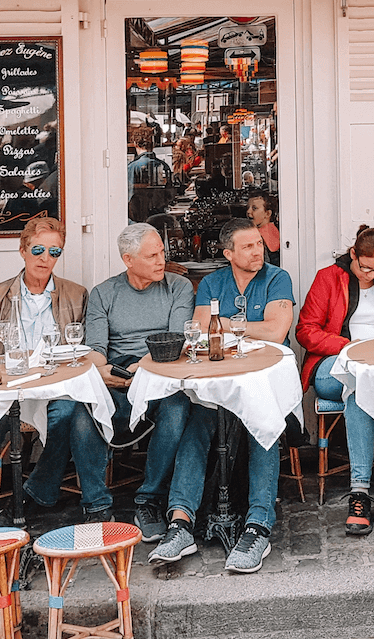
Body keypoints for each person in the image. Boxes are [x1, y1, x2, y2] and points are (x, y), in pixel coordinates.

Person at [148, 217, 294, 573]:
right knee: (197, 425)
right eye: (248, 246)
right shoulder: (212, 282)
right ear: (228, 253)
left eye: (259, 244)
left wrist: (226, 323)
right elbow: (198, 331)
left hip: (263, 382)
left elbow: (276, 331)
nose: (257, 251)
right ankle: (180, 524)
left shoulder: (277, 278)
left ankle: (258, 526)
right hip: (220, 381)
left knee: (265, 425)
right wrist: (238, 328)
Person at [0, 217, 96, 533]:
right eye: (38, 249)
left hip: (55, 387)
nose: (45, 259)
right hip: (9, 386)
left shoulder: (76, 295)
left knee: (67, 414)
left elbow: (82, 351)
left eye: (55, 252)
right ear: (23, 250)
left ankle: (30, 496)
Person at [83, 223, 195, 540]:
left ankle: (149, 501)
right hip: (118, 375)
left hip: (160, 371)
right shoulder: (104, 293)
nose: (161, 260)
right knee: (80, 411)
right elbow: (94, 349)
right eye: (152, 255)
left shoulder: (179, 287)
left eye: (162, 252)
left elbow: (174, 341)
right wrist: (103, 372)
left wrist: (140, 371)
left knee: (176, 411)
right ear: (128, 260)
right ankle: (96, 506)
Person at [296, 225, 374, 536]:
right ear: (353, 255)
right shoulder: (329, 277)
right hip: (334, 365)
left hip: (370, 374)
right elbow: (306, 330)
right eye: (364, 267)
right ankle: (360, 492)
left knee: (359, 393)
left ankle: (360, 492)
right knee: (357, 382)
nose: (369, 275)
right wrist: (349, 348)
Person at [247, 191, 280, 265]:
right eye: (248, 208)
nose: (248, 211)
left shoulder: (269, 233)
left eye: (254, 208)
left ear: (267, 213)